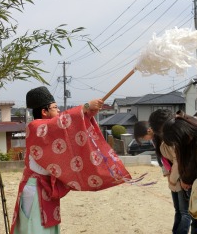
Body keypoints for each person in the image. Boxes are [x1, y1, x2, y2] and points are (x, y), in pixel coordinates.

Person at [10, 86, 131, 233]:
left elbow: (70, 129)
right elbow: (62, 122)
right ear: (44, 111)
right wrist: (85, 107)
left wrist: (87, 114)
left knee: (46, 228)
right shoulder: (35, 127)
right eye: (55, 108)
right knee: (35, 228)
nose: (58, 110)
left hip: (45, 187)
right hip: (35, 187)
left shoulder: (50, 129)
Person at [134, 109, 197, 234]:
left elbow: (178, 160)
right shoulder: (158, 139)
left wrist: (173, 178)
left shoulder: (168, 137)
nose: (146, 140)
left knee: (185, 212)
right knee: (178, 210)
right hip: (174, 175)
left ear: (150, 130)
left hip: (182, 176)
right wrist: (167, 174)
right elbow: (163, 159)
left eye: (144, 138)